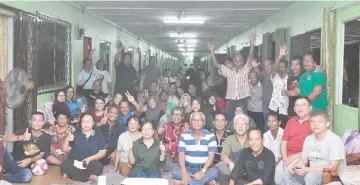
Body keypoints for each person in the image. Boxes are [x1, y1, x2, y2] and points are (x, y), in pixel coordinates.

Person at [283, 111, 345, 185]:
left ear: (327, 123)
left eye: (319, 121)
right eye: (312, 121)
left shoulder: (334, 140)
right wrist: (296, 166)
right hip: (311, 171)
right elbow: (303, 159)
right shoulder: (308, 139)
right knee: (287, 174)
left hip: (330, 174)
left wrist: (307, 170)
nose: (315, 124)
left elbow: (333, 166)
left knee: (310, 177)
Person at [208, 34, 256, 122]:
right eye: (236, 61)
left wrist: (252, 42)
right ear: (233, 62)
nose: (238, 62)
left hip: (242, 99)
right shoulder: (228, 71)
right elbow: (217, 65)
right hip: (230, 100)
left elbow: (250, 58)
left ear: (243, 62)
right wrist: (212, 51)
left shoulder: (246, 70)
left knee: (243, 120)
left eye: (240, 60)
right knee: (230, 119)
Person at [171, 112, 219, 185]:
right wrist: (184, 172)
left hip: (204, 168)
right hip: (188, 168)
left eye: (200, 120)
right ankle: (204, 182)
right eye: (194, 120)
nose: (197, 122)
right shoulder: (184, 135)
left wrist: (202, 171)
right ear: (190, 122)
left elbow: (211, 157)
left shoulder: (210, 136)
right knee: (175, 171)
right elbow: (181, 155)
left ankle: (183, 182)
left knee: (215, 172)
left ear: (204, 122)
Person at [4, 112, 52, 183]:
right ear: (30, 122)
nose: (37, 123)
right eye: (34, 120)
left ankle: (3, 178)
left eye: (39, 120)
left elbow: (41, 155)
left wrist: (30, 160)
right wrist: (21, 137)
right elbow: (7, 138)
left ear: (43, 122)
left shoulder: (47, 138)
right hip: (11, 161)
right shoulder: (24, 130)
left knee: (27, 176)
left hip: (23, 168)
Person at [275, 97, 313, 185]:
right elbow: (284, 142)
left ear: (310, 108)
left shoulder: (314, 122)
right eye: (297, 105)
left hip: (303, 157)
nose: (300, 108)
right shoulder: (291, 121)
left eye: (303, 105)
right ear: (294, 109)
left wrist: (293, 157)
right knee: (277, 177)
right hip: (287, 157)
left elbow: (313, 147)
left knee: (287, 175)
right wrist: (285, 159)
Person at [60, 113, 106, 182]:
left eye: (88, 121)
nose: (86, 124)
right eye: (83, 121)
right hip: (75, 162)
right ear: (80, 123)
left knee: (98, 167)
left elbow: (102, 152)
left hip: (90, 162)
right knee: (65, 165)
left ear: (93, 123)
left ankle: (71, 174)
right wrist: (66, 140)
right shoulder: (75, 134)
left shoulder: (99, 135)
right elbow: (64, 150)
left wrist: (89, 159)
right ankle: (89, 176)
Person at [218, 114, 250, 184]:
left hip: (249, 169)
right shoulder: (230, 139)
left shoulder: (252, 138)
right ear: (234, 127)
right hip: (233, 169)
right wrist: (231, 163)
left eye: (243, 124)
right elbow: (223, 155)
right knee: (221, 165)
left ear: (247, 127)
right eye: (238, 124)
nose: (240, 127)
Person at [268, 44, 289, 128]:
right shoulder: (274, 76)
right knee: (272, 127)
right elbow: (273, 68)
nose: (281, 69)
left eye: (283, 67)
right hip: (273, 107)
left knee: (283, 129)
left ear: (286, 68)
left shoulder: (289, 78)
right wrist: (280, 55)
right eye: (279, 67)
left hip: (284, 109)